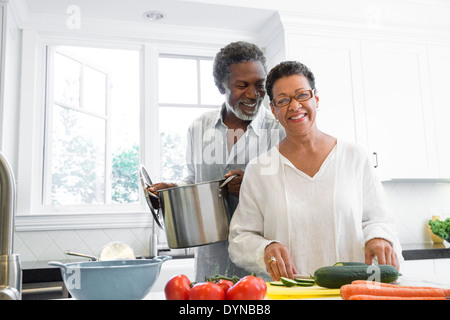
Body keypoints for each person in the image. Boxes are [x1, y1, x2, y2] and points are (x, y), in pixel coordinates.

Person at [228, 60, 403, 281]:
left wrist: (378, 237)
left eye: (302, 95)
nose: (294, 106)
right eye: (283, 100)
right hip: (292, 295)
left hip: (353, 291)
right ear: (273, 109)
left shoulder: (354, 157)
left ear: (315, 98)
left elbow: (380, 219)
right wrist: (265, 248)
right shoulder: (259, 169)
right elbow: (239, 238)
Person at [149, 41, 285, 281]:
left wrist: (253, 187)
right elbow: (194, 179)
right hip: (211, 264)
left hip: (260, 267)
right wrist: (173, 192)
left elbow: (295, 194)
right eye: (242, 85)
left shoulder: (280, 131)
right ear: (221, 86)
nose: (253, 94)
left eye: (260, 85)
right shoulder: (199, 128)